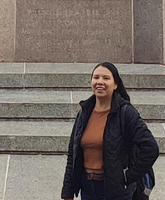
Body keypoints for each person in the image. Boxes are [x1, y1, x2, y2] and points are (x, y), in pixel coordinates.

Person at [62, 63, 159, 200]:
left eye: (106, 78)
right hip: (87, 188)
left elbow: (151, 148)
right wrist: (68, 192)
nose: (100, 82)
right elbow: (73, 154)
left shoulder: (126, 113)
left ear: (115, 85)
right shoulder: (84, 112)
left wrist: (127, 176)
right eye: (96, 77)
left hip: (115, 191)